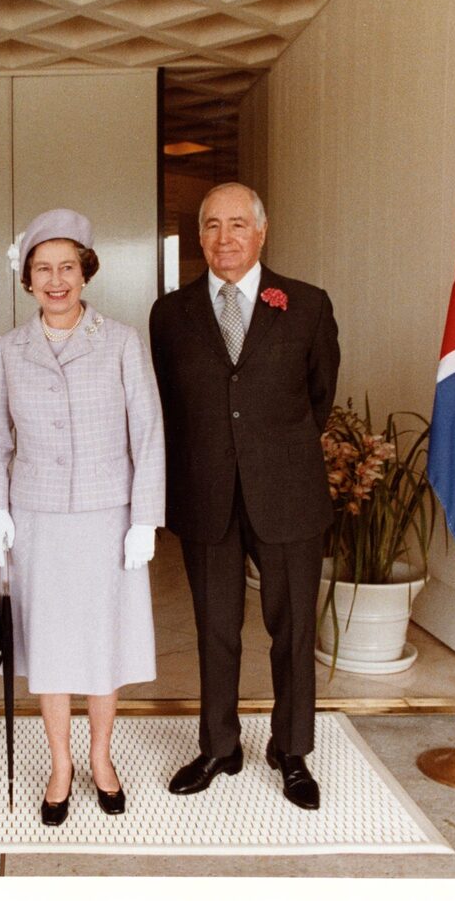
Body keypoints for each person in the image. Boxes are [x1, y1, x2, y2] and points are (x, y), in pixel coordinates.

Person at [149, 182, 340, 811]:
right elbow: (171, 405)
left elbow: (319, 397)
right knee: (215, 629)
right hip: (205, 493)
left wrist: (271, 452)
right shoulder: (170, 314)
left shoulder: (307, 305)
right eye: (212, 225)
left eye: (237, 224)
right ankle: (219, 747)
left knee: (293, 631)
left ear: (261, 231)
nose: (224, 237)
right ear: (199, 235)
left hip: (286, 492)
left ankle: (292, 750)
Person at [0, 209, 164, 825]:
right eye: (42, 269)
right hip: (38, 520)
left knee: (105, 643)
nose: (55, 280)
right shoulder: (9, 349)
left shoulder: (122, 341)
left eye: (66, 267)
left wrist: (145, 518)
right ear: (27, 279)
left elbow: (149, 433)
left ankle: (101, 759)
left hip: (109, 517)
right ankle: (61, 764)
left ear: (85, 272)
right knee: (52, 648)